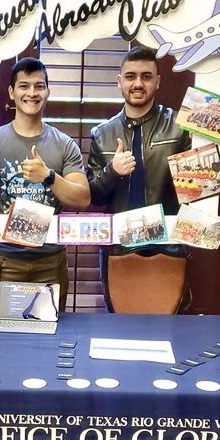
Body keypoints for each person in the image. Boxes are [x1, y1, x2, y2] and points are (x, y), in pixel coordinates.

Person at [0, 57, 90, 311]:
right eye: (24, 86)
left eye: (39, 86)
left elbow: (82, 198)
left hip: (50, 260)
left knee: (49, 338)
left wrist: (49, 176)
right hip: (4, 259)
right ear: (12, 92)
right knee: (2, 337)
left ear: (47, 91)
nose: (32, 93)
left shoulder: (64, 144)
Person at [87, 46, 192, 306]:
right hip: (119, 248)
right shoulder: (101, 134)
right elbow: (94, 196)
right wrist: (113, 172)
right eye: (131, 76)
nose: (138, 83)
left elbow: (199, 189)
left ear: (157, 82)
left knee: (166, 328)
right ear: (119, 81)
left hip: (168, 245)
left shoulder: (181, 127)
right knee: (120, 327)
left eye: (146, 76)